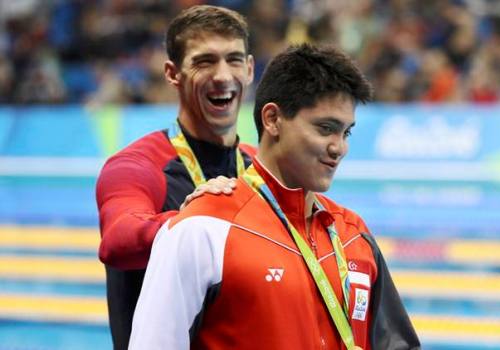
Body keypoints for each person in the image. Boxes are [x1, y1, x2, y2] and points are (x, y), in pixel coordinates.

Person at [129, 43, 420, 350]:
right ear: (272, 119)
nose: (339, 148)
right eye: (325, 129)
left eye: (345, 132)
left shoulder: (352, 235)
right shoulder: (203, 229)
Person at [95, 5, 255, 350]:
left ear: (251, 69)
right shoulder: (137, 165)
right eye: (204, 61)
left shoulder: (262, 170)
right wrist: (195, 220)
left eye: (234, 59)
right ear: (172, 74)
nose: (223, 75)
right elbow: (118, 243)